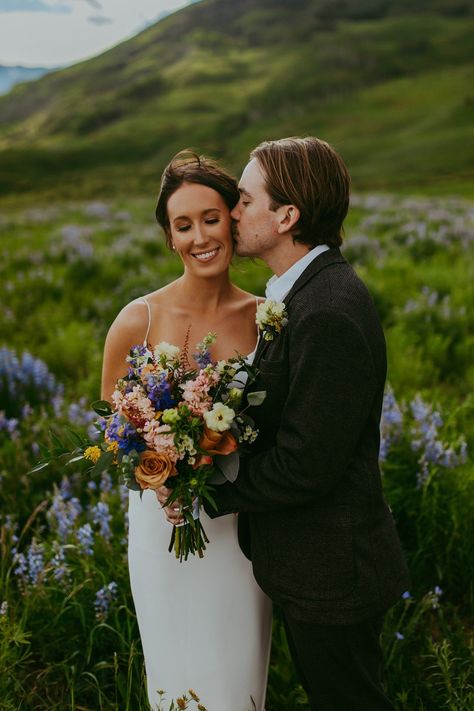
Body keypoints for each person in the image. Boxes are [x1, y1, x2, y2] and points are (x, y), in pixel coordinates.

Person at [161, 137, 410, 710]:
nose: (233, 213)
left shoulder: (327, 310)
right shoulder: (303, 294)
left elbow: (308, 466)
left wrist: (203, 485)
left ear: (287, 216)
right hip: (312, 563)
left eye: (245, 201)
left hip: (332, 569)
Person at [100, 151, 272, 711]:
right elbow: (112, 432)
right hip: (161, 531)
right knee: (175, 683)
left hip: (242, 533)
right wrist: (169, 451)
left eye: (211, 218)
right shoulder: (138, 320)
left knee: (238, 682)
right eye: (183, 225)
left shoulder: (267, 316)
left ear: (234, 220)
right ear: (170, 238)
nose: (200, 236)